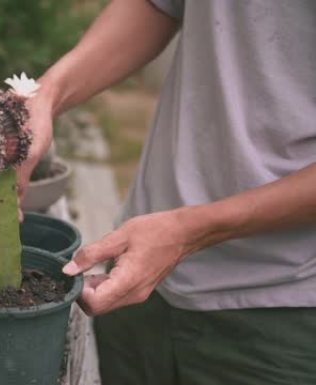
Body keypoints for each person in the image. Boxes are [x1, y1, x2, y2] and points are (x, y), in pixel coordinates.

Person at [16, 0, 316, 384]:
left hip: (278, 314)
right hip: (134, 279)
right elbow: (159, 7)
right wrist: (48, 93)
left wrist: (191, 231)